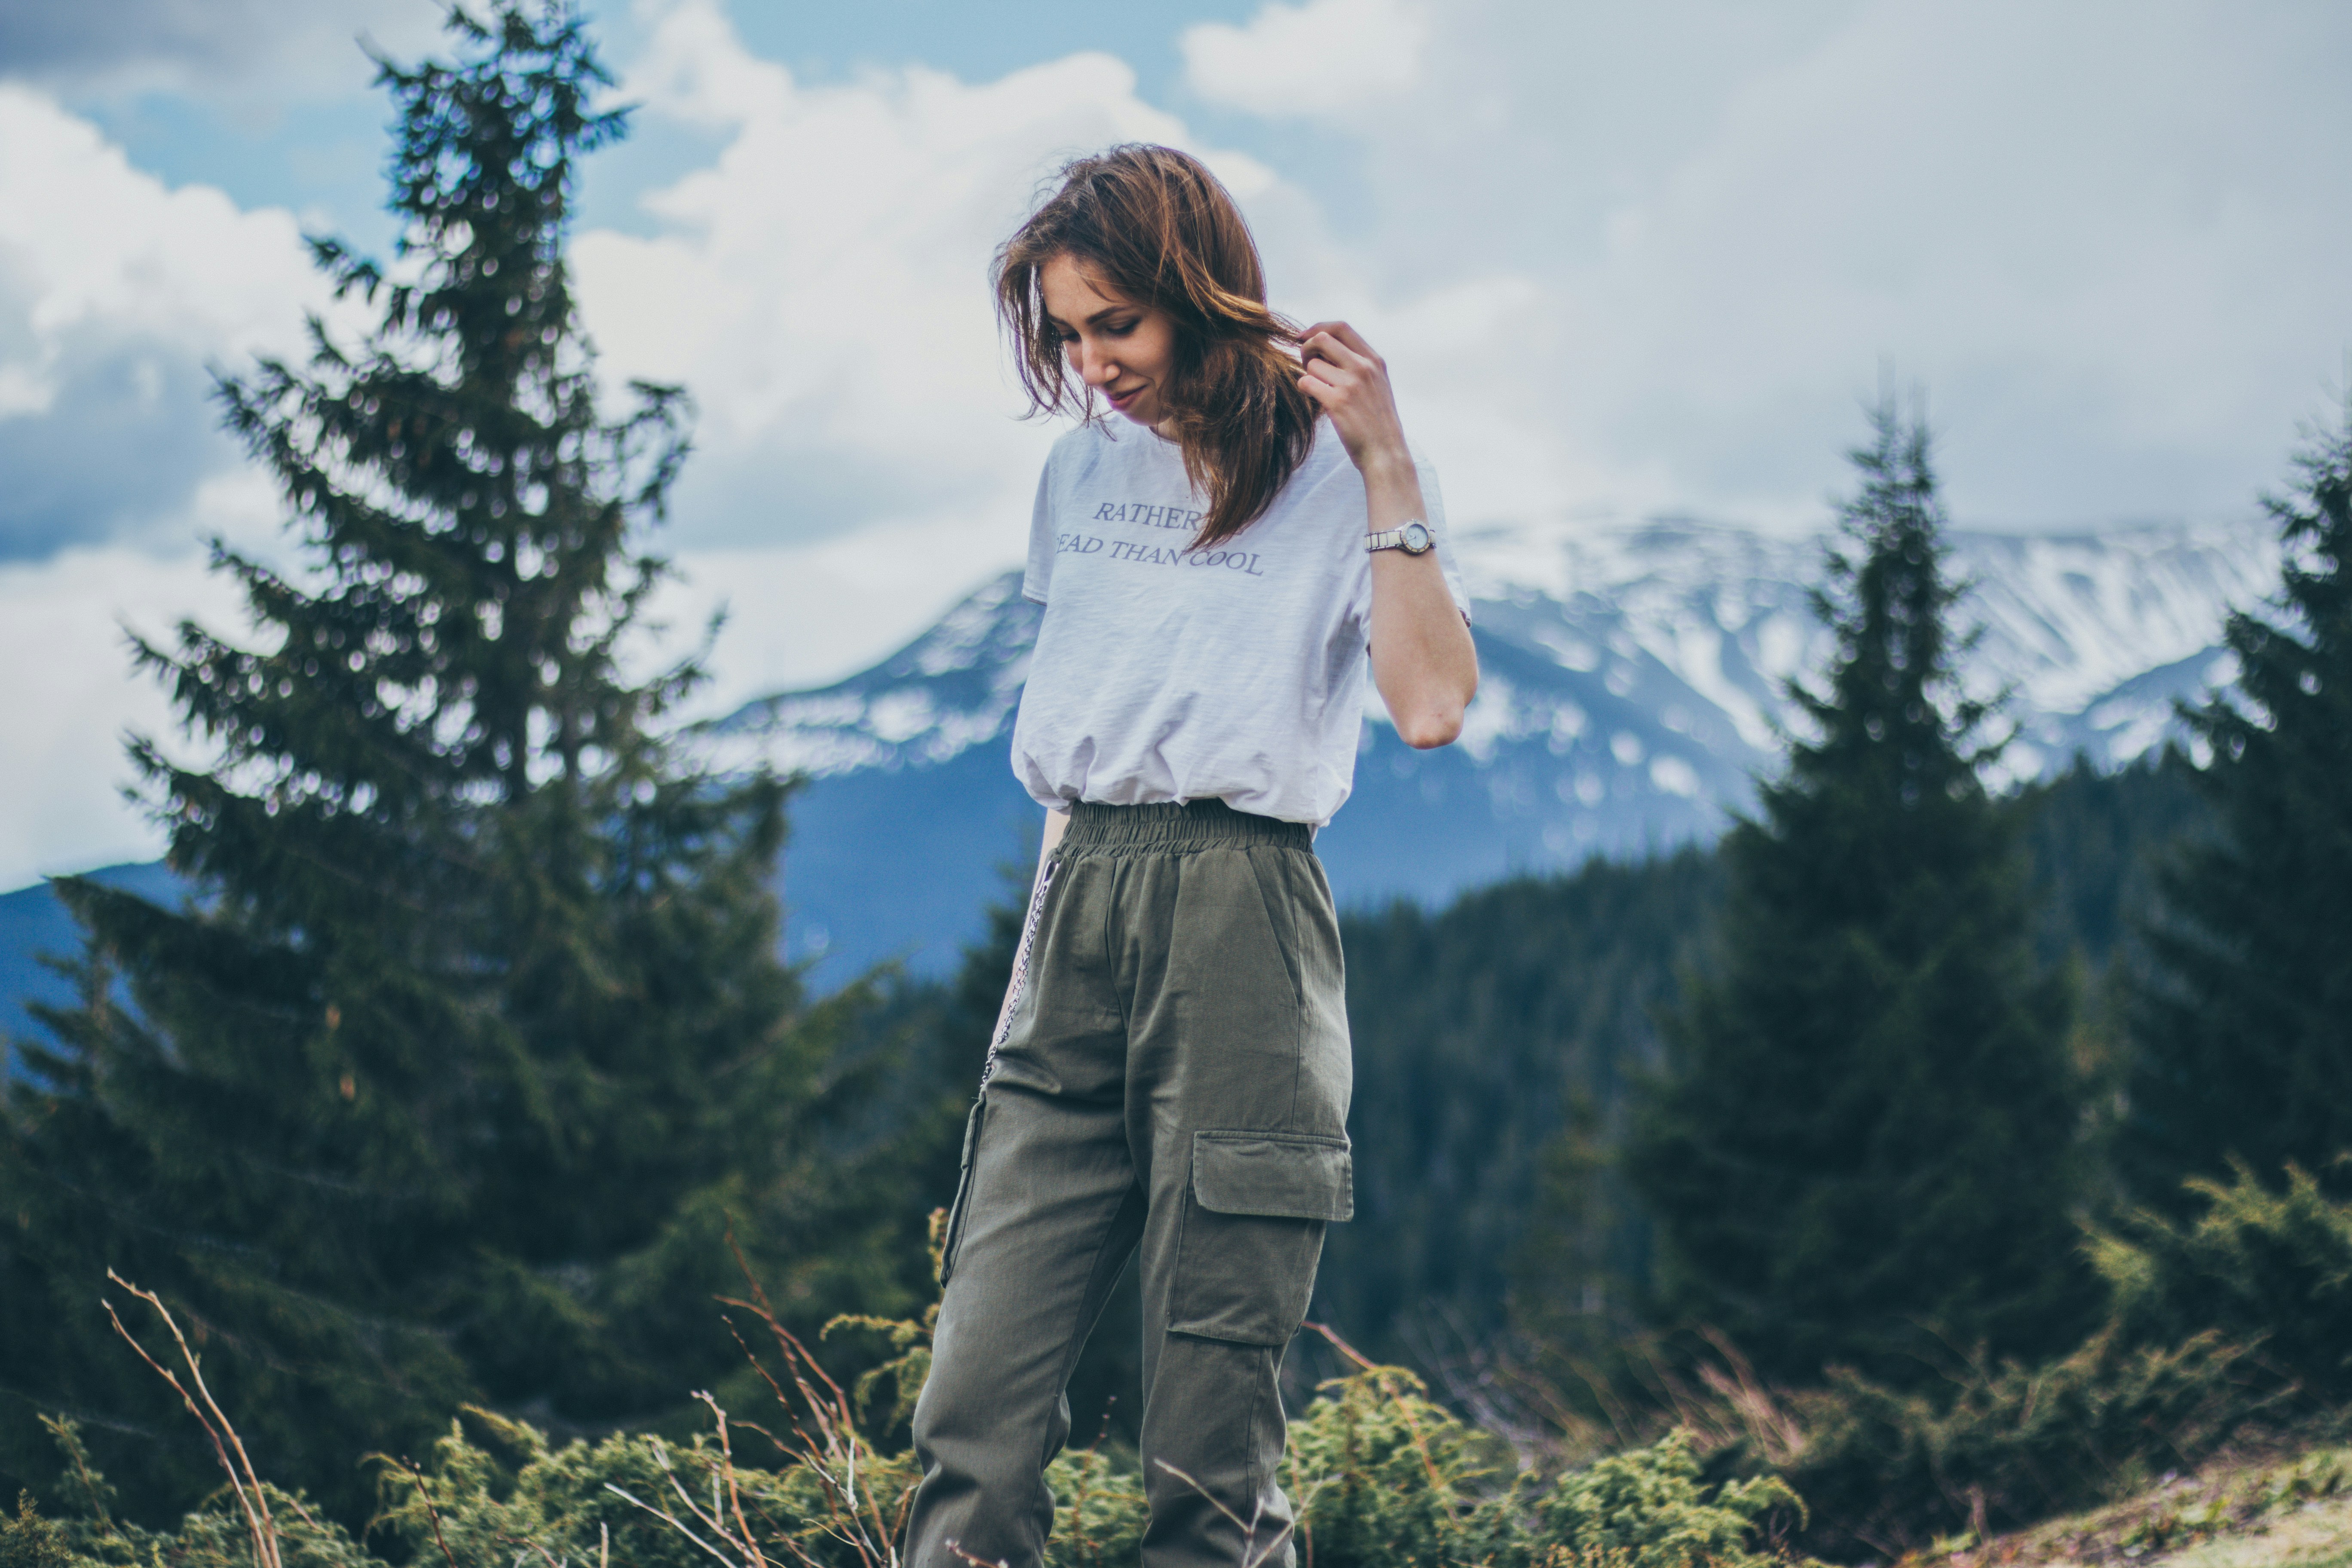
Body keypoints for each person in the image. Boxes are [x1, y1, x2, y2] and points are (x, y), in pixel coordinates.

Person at [906, 144, 1479, 1568]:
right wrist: (1042, 965)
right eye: (1069, 332)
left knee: (1210, 1441)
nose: (1094, 363)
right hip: (1076, 904)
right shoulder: (1079, 472)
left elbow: (1431, 707)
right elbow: (1098, 703)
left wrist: (1388, 460)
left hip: (1244, 917)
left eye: (1121, 323)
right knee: (972, 1407)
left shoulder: (1336, 477)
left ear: (1199, 294)